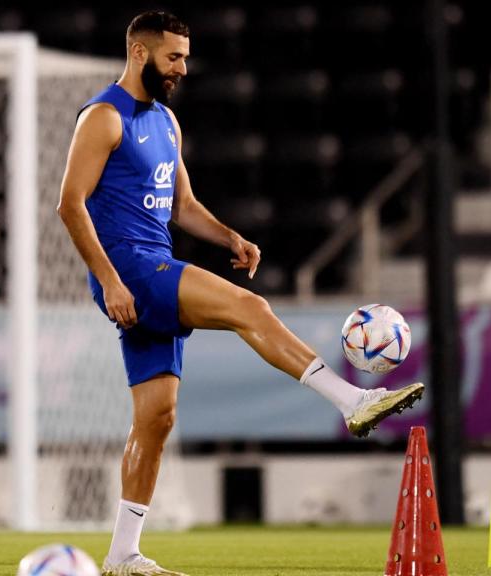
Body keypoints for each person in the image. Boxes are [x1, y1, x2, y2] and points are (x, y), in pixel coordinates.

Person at [57, 11, 425, 576]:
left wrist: (229, 236)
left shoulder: (167, 124)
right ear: (139, 53)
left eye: (185, 56)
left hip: (151, 264)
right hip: (131, 268)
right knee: (248, 308)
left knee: (157, 417)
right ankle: (354, 402)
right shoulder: (105, 117)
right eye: (173, 56)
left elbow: (182, 206)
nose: (183, 67)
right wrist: (109, 280)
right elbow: (70, 204)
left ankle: (122, 554)